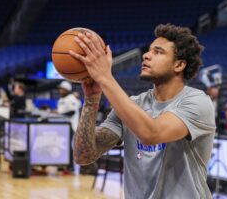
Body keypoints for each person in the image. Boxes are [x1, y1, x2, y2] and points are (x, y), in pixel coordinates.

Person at [70, 24, 216, 199]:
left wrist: (104, 77)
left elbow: (151, 133)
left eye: (158, 52)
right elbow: (83, 156)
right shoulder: (133, 105)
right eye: (148, 51)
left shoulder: (198, 102)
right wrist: (91, 100)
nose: (146, 55)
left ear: (179, 65)